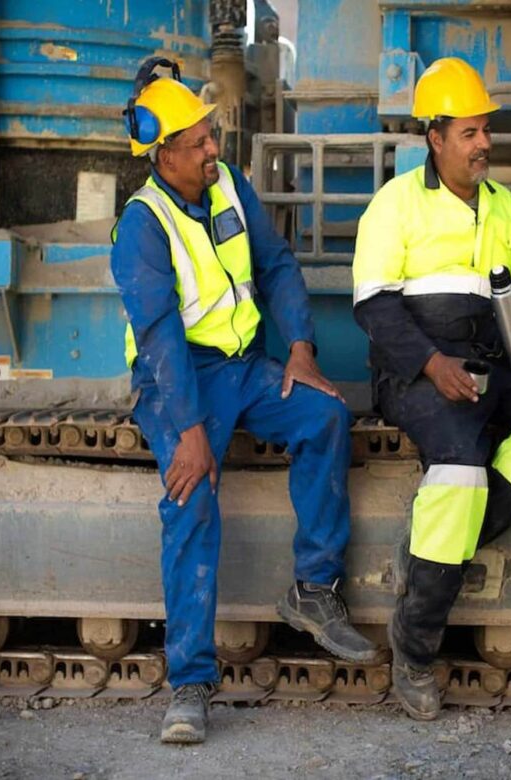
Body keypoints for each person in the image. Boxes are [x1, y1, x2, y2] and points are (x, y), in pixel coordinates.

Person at [110, 58, 379, 744]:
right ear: (163, 153)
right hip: (178, 382)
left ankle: (314, 590)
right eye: (198, 142)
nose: (213, 149)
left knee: (324, 415)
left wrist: (300, 346)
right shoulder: (142, 224)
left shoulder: (227, 185)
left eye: (211, 136)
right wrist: (191, 428)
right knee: (191, 495)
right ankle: (190, 684)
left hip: (245, 365)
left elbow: (277, 261)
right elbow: (162, 334)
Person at [352, 57, 511, 721]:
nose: (484, 143)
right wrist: (433, 366)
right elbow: (374, 308)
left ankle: (440, 546)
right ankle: (415, 647)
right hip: (419, 372)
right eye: (470, 132)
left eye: (486, 130)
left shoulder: (504, 206)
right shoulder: (395, 205)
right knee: (459, 472)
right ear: (435, 138)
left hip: (497, 368)